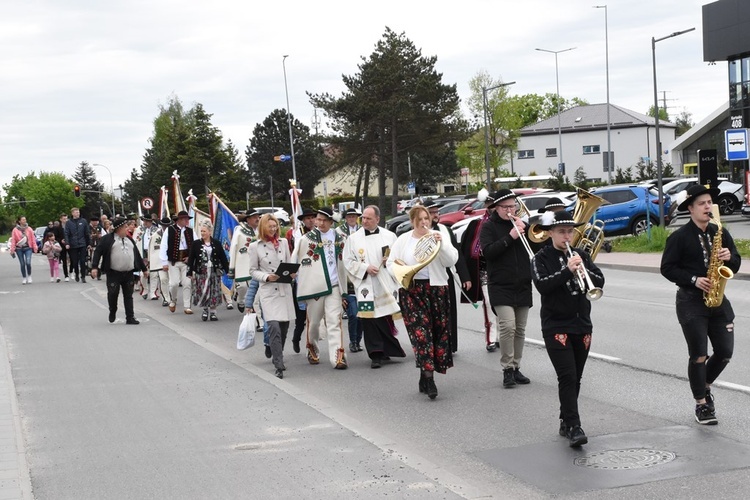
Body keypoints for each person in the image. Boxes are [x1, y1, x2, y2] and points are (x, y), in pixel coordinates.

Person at [660, 184, 741, 425]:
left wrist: (730, 258)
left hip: (718, 300)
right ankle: (701, 405)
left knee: (725, 352)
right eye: (702, 204)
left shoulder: (720, 232)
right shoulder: (679, 237)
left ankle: (704, 385)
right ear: (691, 209)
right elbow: (667, 268)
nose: (708, 207)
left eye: (709, 203)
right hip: (690, 302)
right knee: (699, 355)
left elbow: (735, 263)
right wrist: (694, 280)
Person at [531, 210, 604, 447]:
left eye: (570, 231)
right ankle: (574, 426)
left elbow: (599, 280)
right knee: (567, 376)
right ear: (550, 233)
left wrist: (584, 269)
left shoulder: (581, 254)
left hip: (581, 323)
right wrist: (567, 271)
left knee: (576, 377)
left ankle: (565, 419)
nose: (566, 236)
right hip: (556, 324)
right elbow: (543, 286)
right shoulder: (540, 258)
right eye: (561, 231)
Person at [386, 205, 458, 399]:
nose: (425, 222)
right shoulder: (403, 240)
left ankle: (424, 375)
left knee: (437, 334)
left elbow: (451, 261)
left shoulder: (439, 234)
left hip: (437, 289)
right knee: (422, 335)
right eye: (420, 220)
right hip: (413, 291)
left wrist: (442, 245)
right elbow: (390, 263)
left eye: (426, 218)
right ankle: (430, 378)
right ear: (412, 222)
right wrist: (402, 271)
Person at [479, 189, 533, 389]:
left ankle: (516, 367)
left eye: (513, 206)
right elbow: (489, 253)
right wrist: (511, 236)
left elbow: (535, 248)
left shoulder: (521, 225)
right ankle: (507, 369)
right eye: (506, 207)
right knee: (507, 326)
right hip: (500, 285)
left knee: (520, 329)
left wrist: (528, 232)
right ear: (497, 208)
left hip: (522, 284)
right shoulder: (488, 227)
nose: (511, 210)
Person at [343, 206, 406, 368]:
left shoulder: (390, 236)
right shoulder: (353, 239)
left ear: (377, 219)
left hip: (385, 283)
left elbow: (400, 258)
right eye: (363, 218)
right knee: (369, 319)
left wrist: (389, 261)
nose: (364, 221)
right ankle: (375, 354)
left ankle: (387, 349)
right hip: (366, 285)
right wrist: (365, 268)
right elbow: (348, 261)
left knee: (383, 318)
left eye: (368, 218)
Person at [293, 207, 348, 369]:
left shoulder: (341, 238)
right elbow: (296, 259)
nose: (320, 223)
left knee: (334, 321)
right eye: (318, 219)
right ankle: (312, 347)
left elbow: (347, 261)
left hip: (335, 286)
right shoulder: (306, 239)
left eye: (324, 220)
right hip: (315, 287)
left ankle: (338, 356)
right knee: (315, 323)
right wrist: (295, 277)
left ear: (331, 222)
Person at [247, 214, 296, 379]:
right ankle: (278, 364)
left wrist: (293, 273)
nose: (273, 229)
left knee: (283, 328)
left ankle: (274, 348)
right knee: (273, 326)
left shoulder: (283, 243)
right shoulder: (255, 247)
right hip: (268, 291)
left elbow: (289, 263)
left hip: (284, 288)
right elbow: (253, 271)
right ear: (263, 227)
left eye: (275, 226)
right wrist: (267, 277)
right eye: (270, 227)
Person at [424, 199, 471, 353]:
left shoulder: (445, 230)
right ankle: (429, 344)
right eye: (431, 213)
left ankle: (449, 344)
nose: (435, 215)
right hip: (424, 278)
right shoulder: (416, 231)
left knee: (448, 311)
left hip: (444, 276)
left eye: (437, 212)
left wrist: (465, 277)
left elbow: (457, 253)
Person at [459, 189, 499, 352]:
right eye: (489, 205)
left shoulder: (509, 224)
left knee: (504, 307)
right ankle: (491, 338)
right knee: (489, 305)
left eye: (494, 205)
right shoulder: (476, 225)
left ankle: (503, 336)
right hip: (484, 272)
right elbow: (467, 250)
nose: (492, 208)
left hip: (503, 271)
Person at [90, 217, 148, 325]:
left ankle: (130, 317)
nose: (128, 229)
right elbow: (98, 252)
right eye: (125, 227)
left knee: (128, 296)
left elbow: (137, 255)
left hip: (128, 272)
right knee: (113, 294)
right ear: (119, 228)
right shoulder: (107, 239)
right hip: (113, 272)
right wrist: (94, 267)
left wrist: (144, 269)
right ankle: (113, 311)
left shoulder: (129, 240)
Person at [287, 207, 317, 354]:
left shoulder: (320, 233)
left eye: (313, 217)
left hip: (317, 278)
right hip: (301, 278)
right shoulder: (298, 235)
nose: (311, 220)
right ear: (303, 221)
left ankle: (311, 344)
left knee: (315, 316)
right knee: (301, 316)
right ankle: (296, 338)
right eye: (307, 218)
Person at [187, 221, 230, 321]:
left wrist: (227, 270)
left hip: (214, 271)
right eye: (201, 231)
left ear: (210, 232)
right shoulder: (196, 244)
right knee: (204, 290)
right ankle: (205, 310)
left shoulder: (216, 243)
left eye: (204, 231)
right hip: (201, 272)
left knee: (214, 291)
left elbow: (223, 258)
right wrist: (189, 271)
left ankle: (213, 312)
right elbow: (191, 258)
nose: (202, 233)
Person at [337, 207, 365, 353]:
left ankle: (357, 341)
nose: (352, 219)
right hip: (346, 276)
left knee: (362, 314)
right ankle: (353, 341)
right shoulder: (338, 233)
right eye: (349, 216)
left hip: (361, 274)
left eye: (354, 216)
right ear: (345, 218)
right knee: (353, 313)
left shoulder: (362, 230)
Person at [159, 210, 195, 314]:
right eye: (184, 219)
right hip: (173, 261)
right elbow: (164, 246)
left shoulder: (190, 231)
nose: (186, 221)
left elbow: (195, 245)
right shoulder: (170, 230)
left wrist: (191, 257)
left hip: (186, 261)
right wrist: (164, 262)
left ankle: (187, 306)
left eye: (187, 219)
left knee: (187, 283)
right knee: (174, 283)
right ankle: (173, 300)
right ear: (179, 220)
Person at [149, 217, 173, 307]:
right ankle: (166, 298)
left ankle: (172, 296)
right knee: (163, 280)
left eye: (167, 225)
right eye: (164, 225)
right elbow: (152, 249)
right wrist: (150, 262)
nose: (165, 227)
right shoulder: (156, 235)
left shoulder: (174, 233)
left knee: (172, 282)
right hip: (161, 262)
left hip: (172, 261)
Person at [64, 207, 91, 283]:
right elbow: (66, 233)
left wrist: (89, 243)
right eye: (76, 212)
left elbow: (87, 233)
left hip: (82, 243)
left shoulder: (83, 221)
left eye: (78, 212)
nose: (77, 213)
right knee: (75, 261)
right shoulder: (69, 223)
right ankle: (76, 273)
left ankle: (83, 276)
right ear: (72, 213)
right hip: (73, 244)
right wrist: (67, 243)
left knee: (83, 261)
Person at [9, 216, 39, 284]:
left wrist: (35, 247)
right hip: (19, 249)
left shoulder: (29, 229)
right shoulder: (15, 230)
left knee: (28, 263)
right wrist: (12, 249)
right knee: (22, 264)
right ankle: (24, 278)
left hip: (28, 248)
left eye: (25, 219)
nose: (24, 221)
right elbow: (13, 240)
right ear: (19, 221)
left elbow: (33, 239)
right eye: (23, 220)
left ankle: (29, 276)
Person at [52, 216, 70, 281]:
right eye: (64, 219)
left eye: (66, 219)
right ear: (61, 219)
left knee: (73, 259)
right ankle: (66, 275)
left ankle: (71, 270)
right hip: (62, 245)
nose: (65, 220)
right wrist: (61, 240)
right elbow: (55, 237)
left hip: (70, 245)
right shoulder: (57, 228)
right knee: (64, 260)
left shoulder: (70, 226)